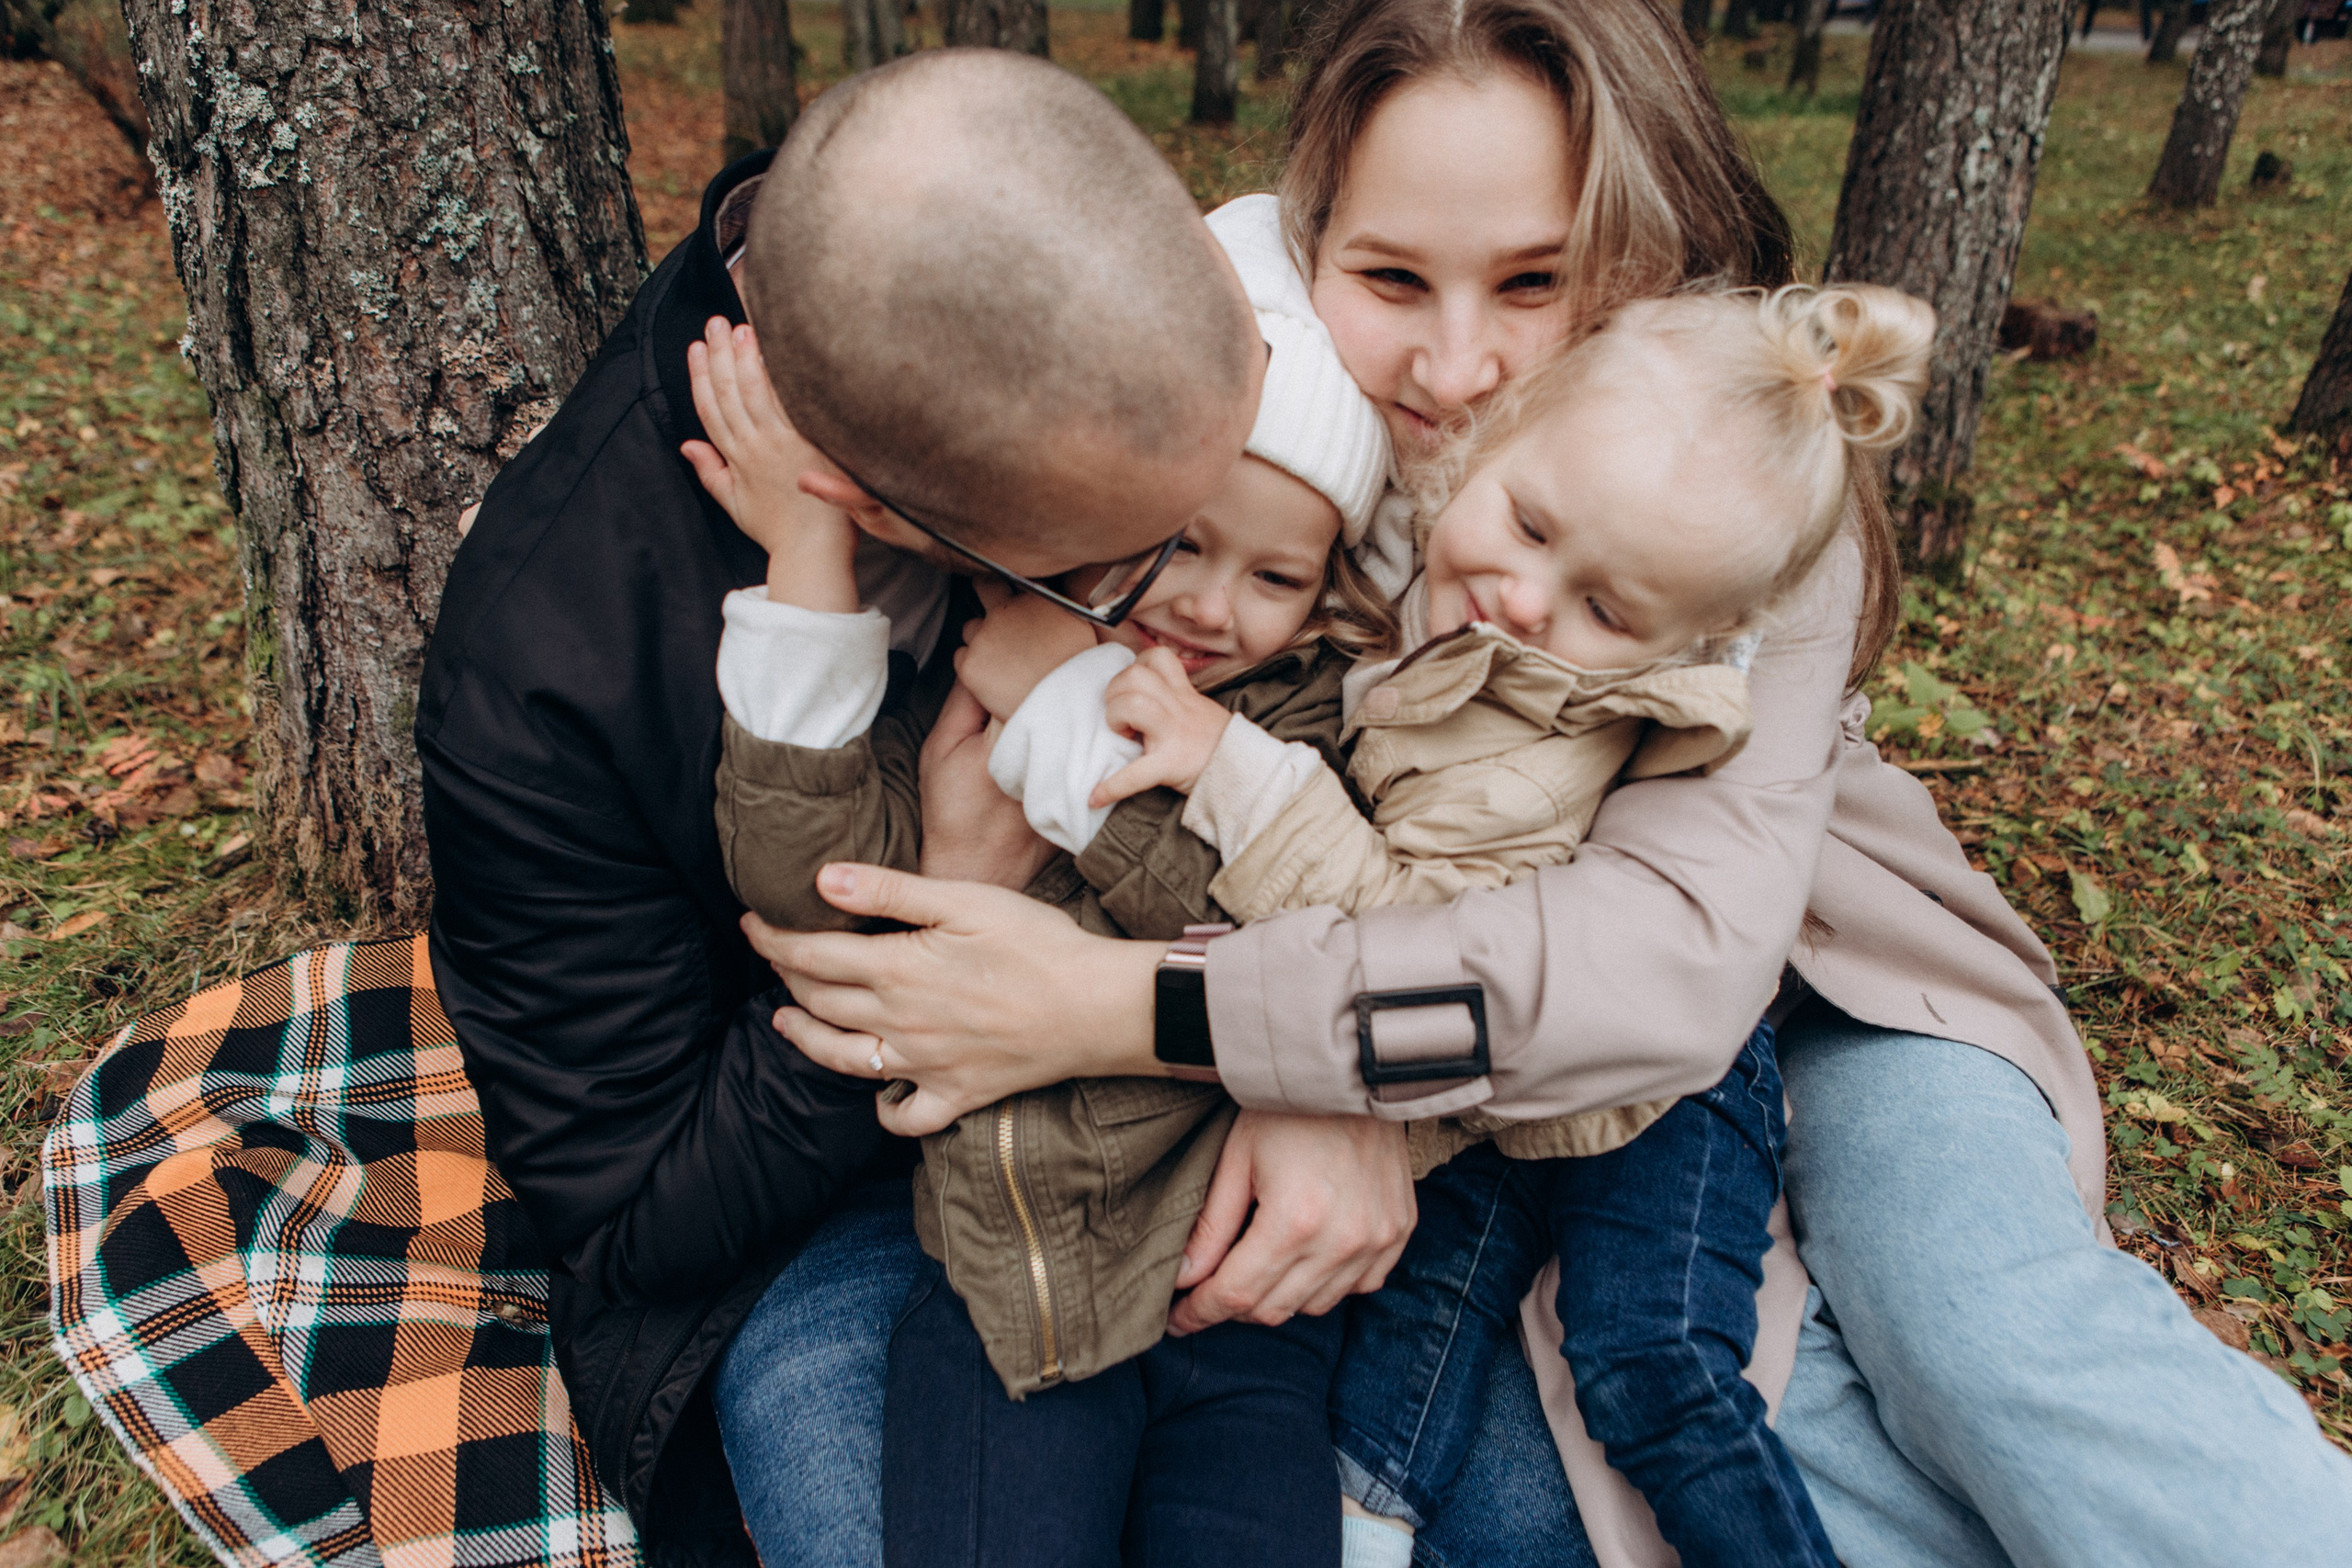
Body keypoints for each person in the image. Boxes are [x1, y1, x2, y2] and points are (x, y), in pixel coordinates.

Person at [746, 2, 2352, 1564]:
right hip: (1492, 1074)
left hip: (1815, 996)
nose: (1456, 364)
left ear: (1635, 260)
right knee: (1760, 1437)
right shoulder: (1237, 394)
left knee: (1989, 1339)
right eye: (1391, 277)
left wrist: (1185, 1026)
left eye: (1536, 280)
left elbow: (1661, 966)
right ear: (1309, 245)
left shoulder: (1722, 465)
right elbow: (908, 322)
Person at [415, 48, 1434, 1566]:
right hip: (838, 1211)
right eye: (1116, 565)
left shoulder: (1066, 267)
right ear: (889, 517)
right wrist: (940, 898)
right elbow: (632, 1227)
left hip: (1197, 1144)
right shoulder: (554, 668)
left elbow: (1443, 906)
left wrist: (1323, 1084)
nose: (1181, 609)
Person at [986, 282, 1930, 1568]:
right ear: (1497, 437)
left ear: (1692, 645)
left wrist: (1232, 769)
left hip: (1659, 1093)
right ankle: (1368, 1521)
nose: (1532, 602)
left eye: (1609, 612)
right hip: (1487, 1080)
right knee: (1420, 1312)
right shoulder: (1421, 551)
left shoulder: (1547, 739)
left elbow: (1398, 919)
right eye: (1531, 524)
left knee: (1650, 1364)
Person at [685, 231, 1395, 1563]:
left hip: (1240, 1301)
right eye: (1182, 542)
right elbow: (815, 887)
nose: (1213, 607)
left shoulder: (1309, 733)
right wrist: (809, 561)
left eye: (1279, 575)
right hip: (1010, 1294)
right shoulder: (984, 649)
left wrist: (1066, 718)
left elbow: (1279, 931)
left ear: (1329, 593)